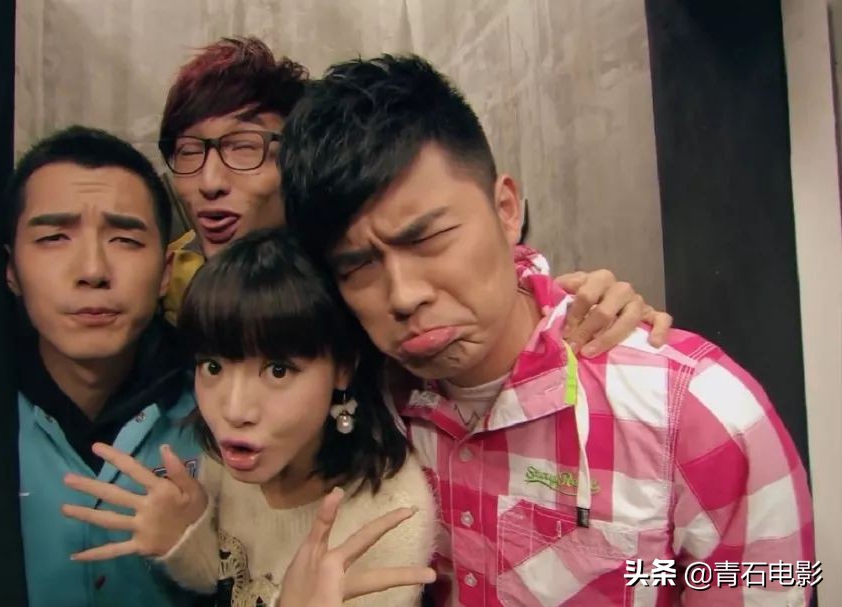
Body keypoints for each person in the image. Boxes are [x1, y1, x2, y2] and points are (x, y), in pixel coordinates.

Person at [277, 54, 815, 606]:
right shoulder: (362, 403)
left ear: (507, 209)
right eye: (358, 266)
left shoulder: (695, 413)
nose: (403, 294)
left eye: (426, 239)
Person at [156, 36, 672, 358]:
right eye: (187, 152)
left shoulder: (357, 292)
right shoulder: (161, 288)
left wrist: (592, 306)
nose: (210, 181)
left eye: (243, 147)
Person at [61, 229, 437, 607]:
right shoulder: (227, 459)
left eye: (277, 371)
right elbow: (222, 580)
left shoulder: (389, 517)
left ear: (343, 368)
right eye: (212, 366)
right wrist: (183, 537)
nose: (234, 411)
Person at [3, 125, 204, 606]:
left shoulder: (220, 408)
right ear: (11, 270)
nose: (93, 270)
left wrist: (200, 550)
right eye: (54, 237)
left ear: (165, 272)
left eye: (125, 240)